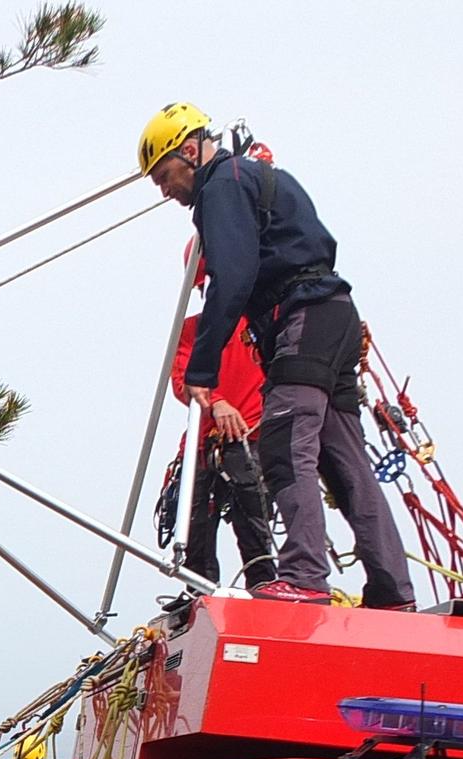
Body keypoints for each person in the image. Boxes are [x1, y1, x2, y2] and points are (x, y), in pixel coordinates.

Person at [140, 102, 414, 610]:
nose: (163, 189)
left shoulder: (221, 185)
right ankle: (392, 591)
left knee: (286, 445)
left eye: (165, 174)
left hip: (303, 317)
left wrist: (203, 367)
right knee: (343, 460)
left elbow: (235, 278)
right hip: (332, 315)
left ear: (190, 151)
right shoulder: (257, 177)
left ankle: (306, 578)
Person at [167, 247, 276, 588]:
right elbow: (182, 380)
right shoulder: (191, 331)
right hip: (204, 443)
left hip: (251, 439)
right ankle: (199, 593)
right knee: (195, 529)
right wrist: (216, 402)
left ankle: (264, 591)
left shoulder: (264, 323)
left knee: (255, 527)